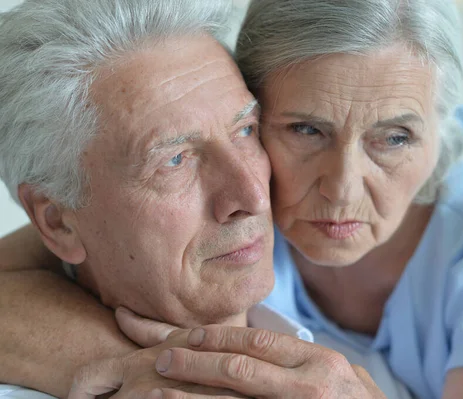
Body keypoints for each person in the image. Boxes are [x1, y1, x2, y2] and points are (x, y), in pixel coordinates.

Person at [1, 0, 463, 398]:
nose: (248, 193)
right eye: (304, 130)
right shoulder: (255, 189)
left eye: (394, 138)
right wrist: (155, 368)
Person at [0, 0, 400, 398]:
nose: (255, 196)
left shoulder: (356, 369)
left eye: (245, 130)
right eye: (174, 160)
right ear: (57, 222)